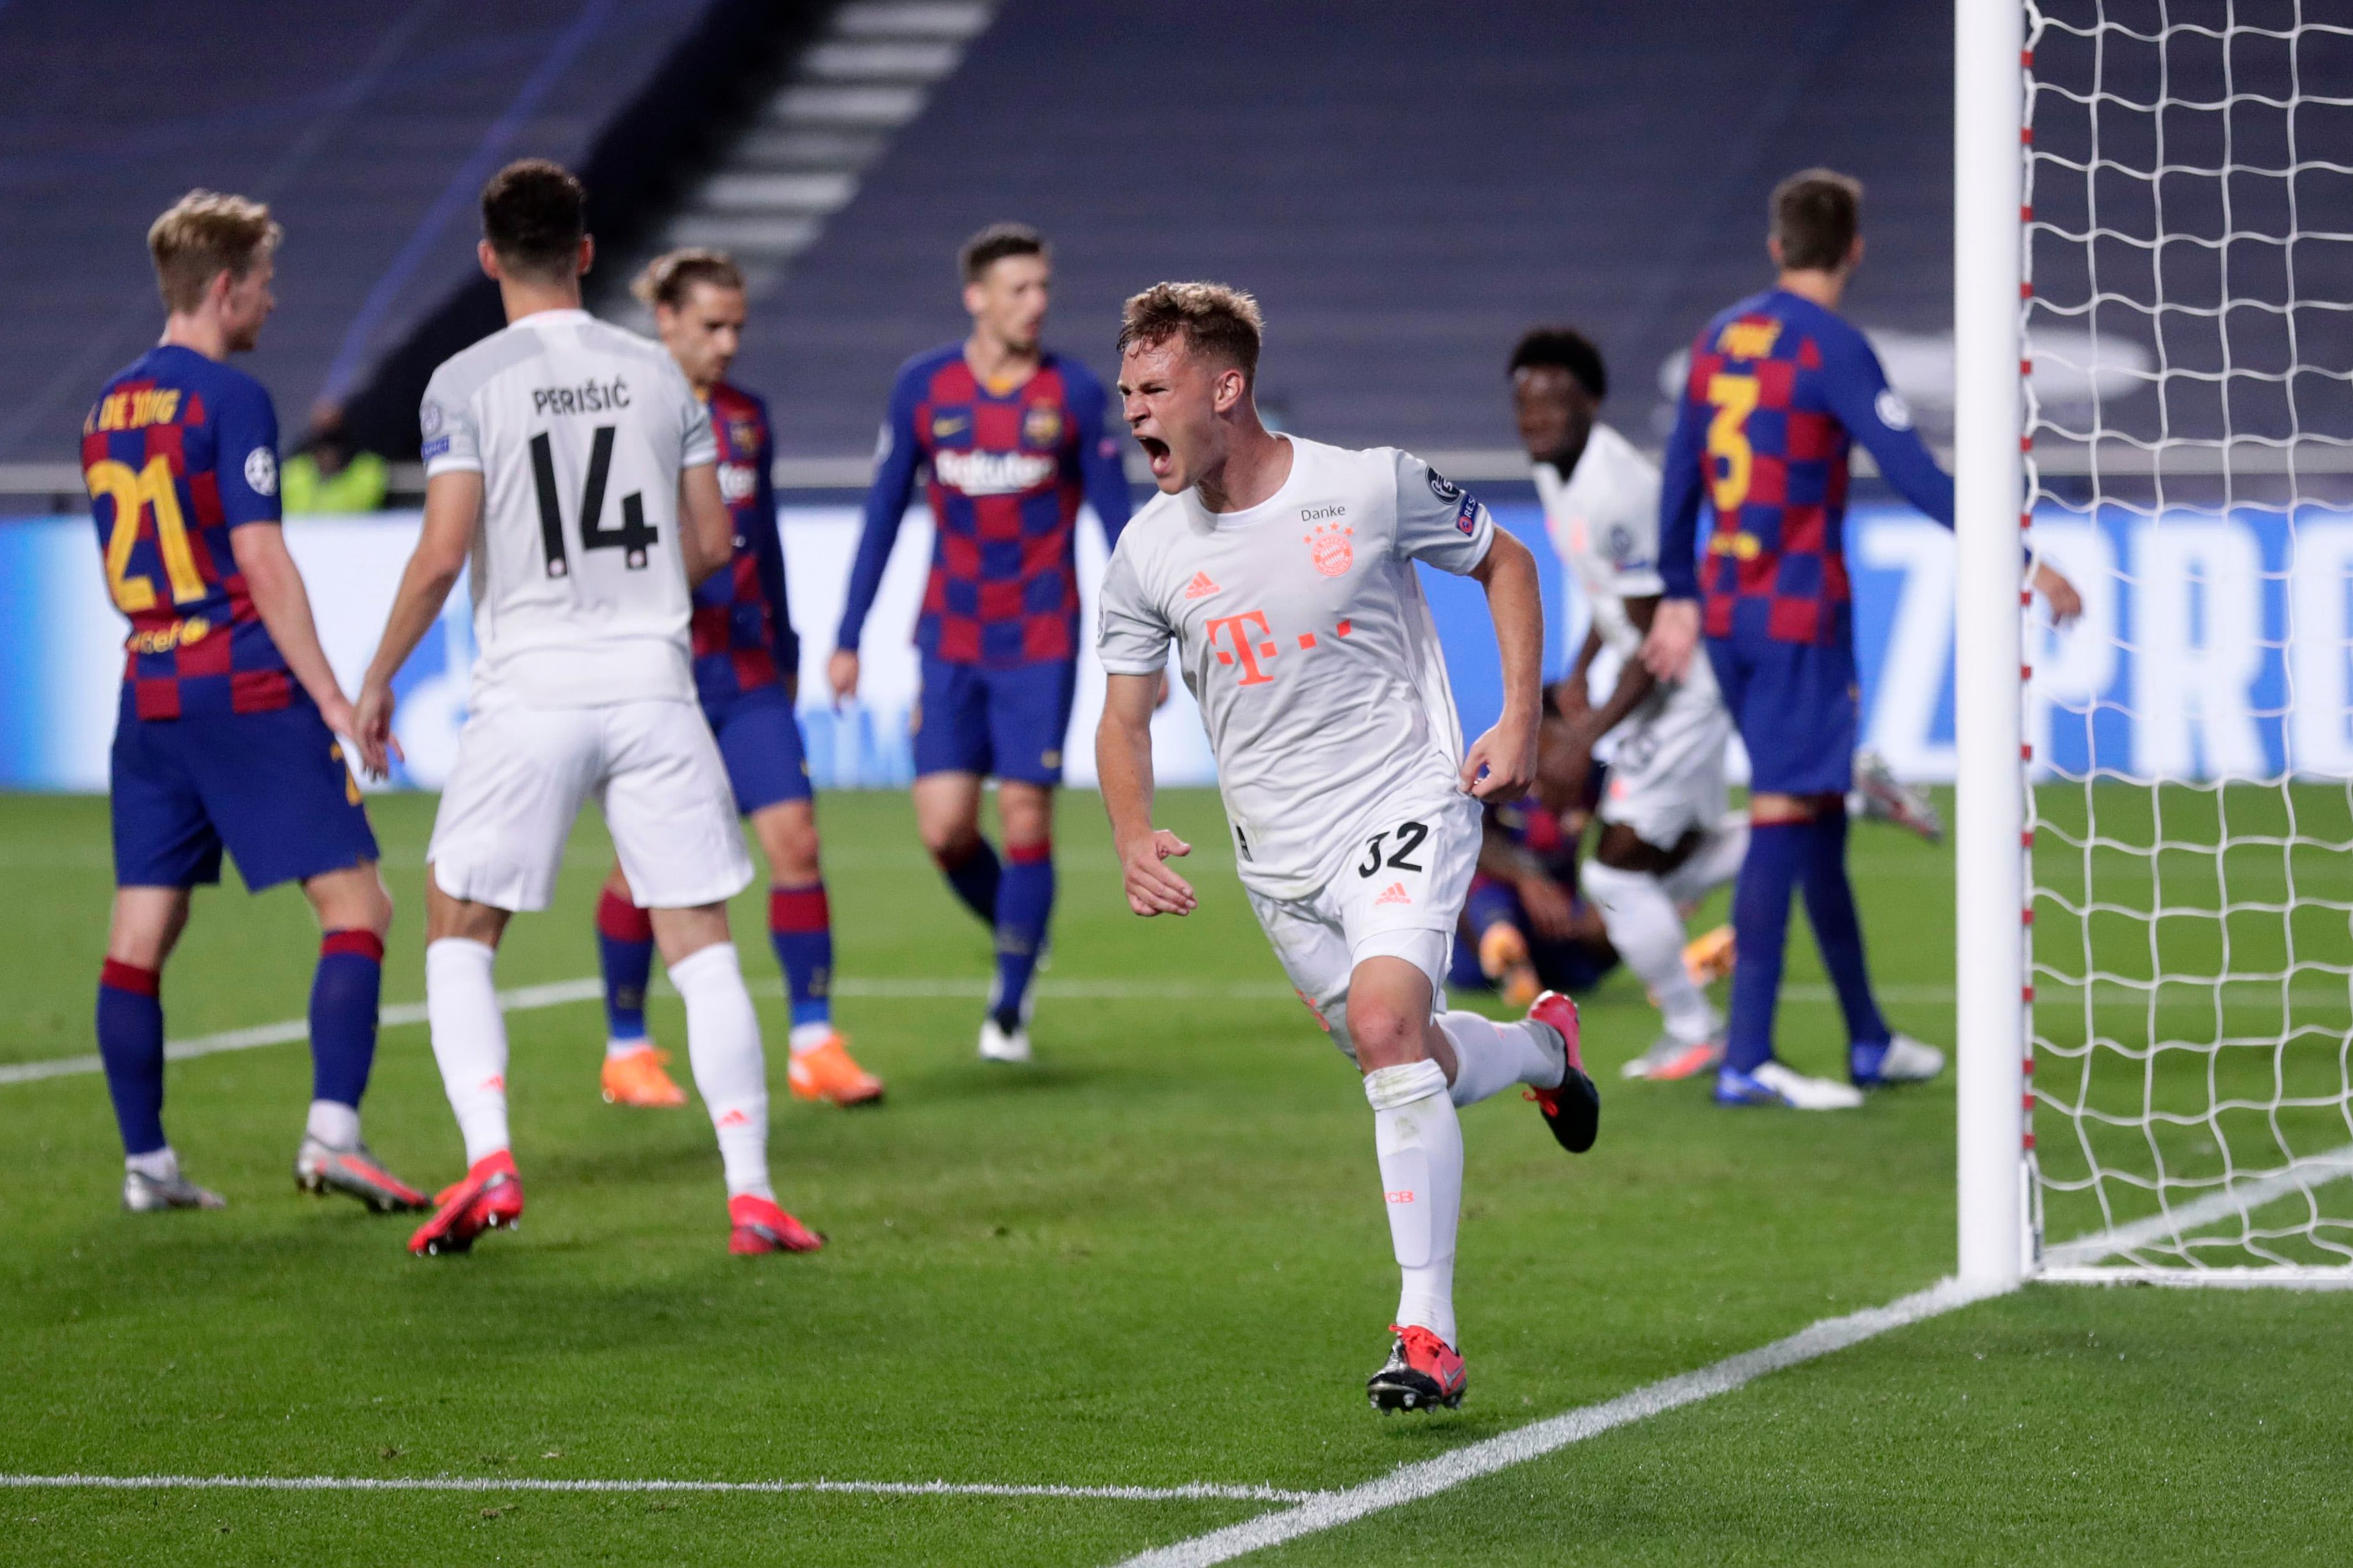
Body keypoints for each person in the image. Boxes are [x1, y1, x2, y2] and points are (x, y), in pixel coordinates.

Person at [1095, 282, 1600, 1413]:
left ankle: (1427, 1329)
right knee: (1402, 1051)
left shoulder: (1368, 485)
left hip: (1401, 803)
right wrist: (1130, 828)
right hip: (1278, 866)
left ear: (1225, 387)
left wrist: (1516, 712)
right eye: (1124, 391)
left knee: (1385, 1028)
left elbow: (1506, 564)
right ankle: (1540, 1053)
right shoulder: (1144, 553)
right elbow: (1123, 718)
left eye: (1153, 389)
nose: (1131, 413)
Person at [353, 160, 820, 1257]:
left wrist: (375, 679)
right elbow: (712, 543)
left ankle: (490, 1158)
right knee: (700, 941)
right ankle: (750, 1192)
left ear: (486, 258)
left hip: (531, 688)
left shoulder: (464, 381)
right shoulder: (664, 377)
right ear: (587, 251)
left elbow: (439, 554)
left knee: (457, 925)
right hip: (655, 682)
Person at [1641, 168, 2081, 1110]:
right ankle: (1748, 1055)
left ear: (1775, 246)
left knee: (1818, 813)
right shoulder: (1833, 345)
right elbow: (1915, 470)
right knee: (1782, 813)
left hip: (1727, 606)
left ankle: (1869, 1039)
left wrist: (1680, 586)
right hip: (1799, 611)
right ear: (1854, 250)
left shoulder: (1720, 336)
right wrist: (2022, 557)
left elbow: (1680, 469)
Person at [81, 191, 422, 1217]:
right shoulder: (230, 400)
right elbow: (261, 557)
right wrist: (329, 699)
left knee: (141, 928)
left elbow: (117, 569)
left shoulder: (106, 405)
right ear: (224, 286)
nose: (272, 301)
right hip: (241, 682)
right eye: (265, 282)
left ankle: (147, 1162)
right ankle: (334, 1135)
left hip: (150, 690)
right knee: (359, 905)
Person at [828, 223, 1132, 1063]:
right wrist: (848, 634)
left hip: (1040, 636)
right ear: (977, 297)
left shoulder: (1071, 392)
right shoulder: (923, 388)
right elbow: (885, 513)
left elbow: (1118, 519)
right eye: (1019, 289)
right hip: (950, 639)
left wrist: (1150, 638)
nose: (1036, 303)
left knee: (1026, 810)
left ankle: (1008, 1002)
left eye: (1043, 288)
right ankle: (1022, 929)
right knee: (945, 830)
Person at [589, 249, 882, 1112]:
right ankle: (626, 1047)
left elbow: (767, 542)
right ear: (667, 320)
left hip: (749, 670)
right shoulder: (622, 412)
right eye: (710, 326)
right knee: (639, 865)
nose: (726, 343)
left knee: (797, 840)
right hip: (660, 672)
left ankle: (814, 1041)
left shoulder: (747, 417)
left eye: (736, 328)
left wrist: (787, 650)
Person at [1511, 326, 1752, 1082]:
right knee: (1682, 857)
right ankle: (1834, 799)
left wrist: (1586, 735)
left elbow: (1659, 645)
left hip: (1685, 691)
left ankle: (1692, 1027)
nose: (1535, 423)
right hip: (1665, 681)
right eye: (1523, 408)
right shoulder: (1559, 471)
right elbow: (1605, 592)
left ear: (1590, 402)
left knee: (1614, 877)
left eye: (1551, 406)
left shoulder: (1616, 490)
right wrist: (1580, 665)